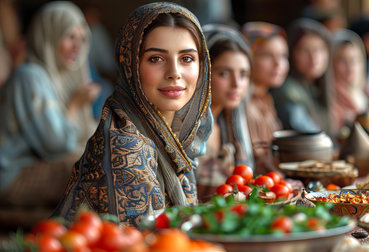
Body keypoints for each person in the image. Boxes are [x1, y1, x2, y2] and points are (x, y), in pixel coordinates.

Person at [52, 2, 213, 227]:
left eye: (186, 59)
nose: (174, 73)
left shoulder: (175, 137)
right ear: (131, 66)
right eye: (156, 58)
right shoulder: (124, 147)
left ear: (202, 66)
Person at [0, 1, 99, 209]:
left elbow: (86, 134)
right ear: (49, 35)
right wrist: (74, 105)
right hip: (12, 175)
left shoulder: (61, 76)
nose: (77, 46)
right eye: (70, 36)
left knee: (104, 157)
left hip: (36, 165)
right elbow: (55, 145)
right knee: (88, 168)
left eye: (82, 38)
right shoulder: (29, 76)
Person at [195, 24, 254, 202]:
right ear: (203, 73)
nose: (237, 84)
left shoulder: (229, 126)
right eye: (224, 73)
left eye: (243, 74)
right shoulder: (186, 130)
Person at [241, 21, 289, 175]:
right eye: (266, 55)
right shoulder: (241, 102)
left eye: (283, 56)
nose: (278, 64)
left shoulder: (265, 99)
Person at [271, 18, 334, 136]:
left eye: (319, 49)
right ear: (291, 54)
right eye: (305, 50)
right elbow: (312, 137)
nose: (314, 58)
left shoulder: (316, 89)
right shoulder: (288, 94)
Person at [330, 29, 369, 136]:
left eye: (354, 60)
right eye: (342, 60)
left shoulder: (359, 91)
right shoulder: (328, 95)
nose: (350, 67)